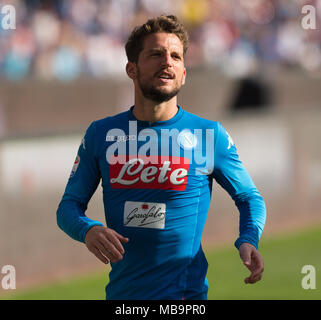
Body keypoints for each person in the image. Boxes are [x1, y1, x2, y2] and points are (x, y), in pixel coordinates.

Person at [56, 15, 266, 300]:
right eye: (156, 54)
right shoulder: (101, 134)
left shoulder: (208, 135)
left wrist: (248, 239)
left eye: (176, 56)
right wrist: (88, 230)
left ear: (183, 73)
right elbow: (68, 207)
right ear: (131, 69)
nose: (167, 61)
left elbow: (249, 197)